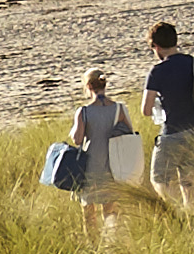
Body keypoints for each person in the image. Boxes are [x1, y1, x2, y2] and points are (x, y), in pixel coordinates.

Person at [53, 66, 142, 234]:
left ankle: (93, 244)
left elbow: (77, 139)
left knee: (89, 213)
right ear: (104, 85)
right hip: (113, 166)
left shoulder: (84, 112)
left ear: (88, 86)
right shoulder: (119, 109)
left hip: (89, 167)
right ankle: (111, 240)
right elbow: (129, 134)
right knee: (110, 211)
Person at [142, 19, 194, 198]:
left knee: (160, 180)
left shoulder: (157, 71)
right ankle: (191, 211)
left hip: (172, 133)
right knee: (190, 183)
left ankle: (175, 210)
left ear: (156, 46)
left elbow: (146, 110)